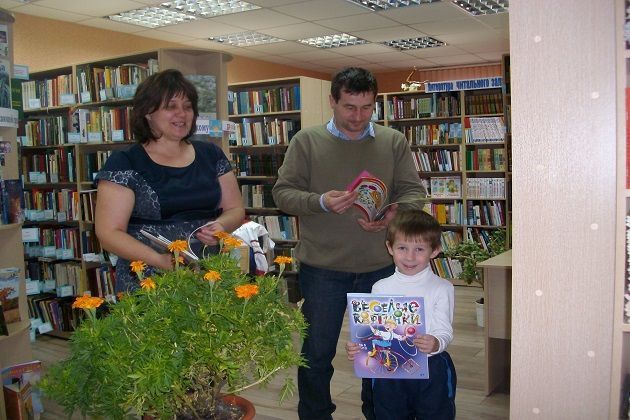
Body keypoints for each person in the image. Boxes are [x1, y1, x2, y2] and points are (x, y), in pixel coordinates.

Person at [272, 67, 425, 420]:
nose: (358, 117)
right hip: (322, 268)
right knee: (316, 354)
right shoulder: (306, 141)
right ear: (332, 101)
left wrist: (396, 213)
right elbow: (283, 193)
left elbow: (413, 191)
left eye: (366, 107)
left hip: (380, 267)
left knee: (384, 355)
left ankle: (381, 415)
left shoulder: (392, 141)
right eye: (349, 107)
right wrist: (320, 202)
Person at [94, 69, 245, 292]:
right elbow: (109, 233)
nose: (181, 114)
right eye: (171, 106)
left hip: (209, 273)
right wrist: (159, 260)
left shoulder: (211, 154)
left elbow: (235, 209)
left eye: (187, 107)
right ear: (148, 112)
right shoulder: (125, 162)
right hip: (149, 278)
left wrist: (221, 227)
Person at [346, 209, 456, 420]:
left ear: (434, 251)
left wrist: (436, 342)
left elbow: (444, 330)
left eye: (419, 249)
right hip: (389, 369)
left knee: (435, 414)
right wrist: (358, 347)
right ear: (390, 248)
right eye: (402, 248)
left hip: (431, 366)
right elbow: (372, 331)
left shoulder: (442, 288)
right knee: (388, 414)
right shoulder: (380, 287)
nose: (410, 256)